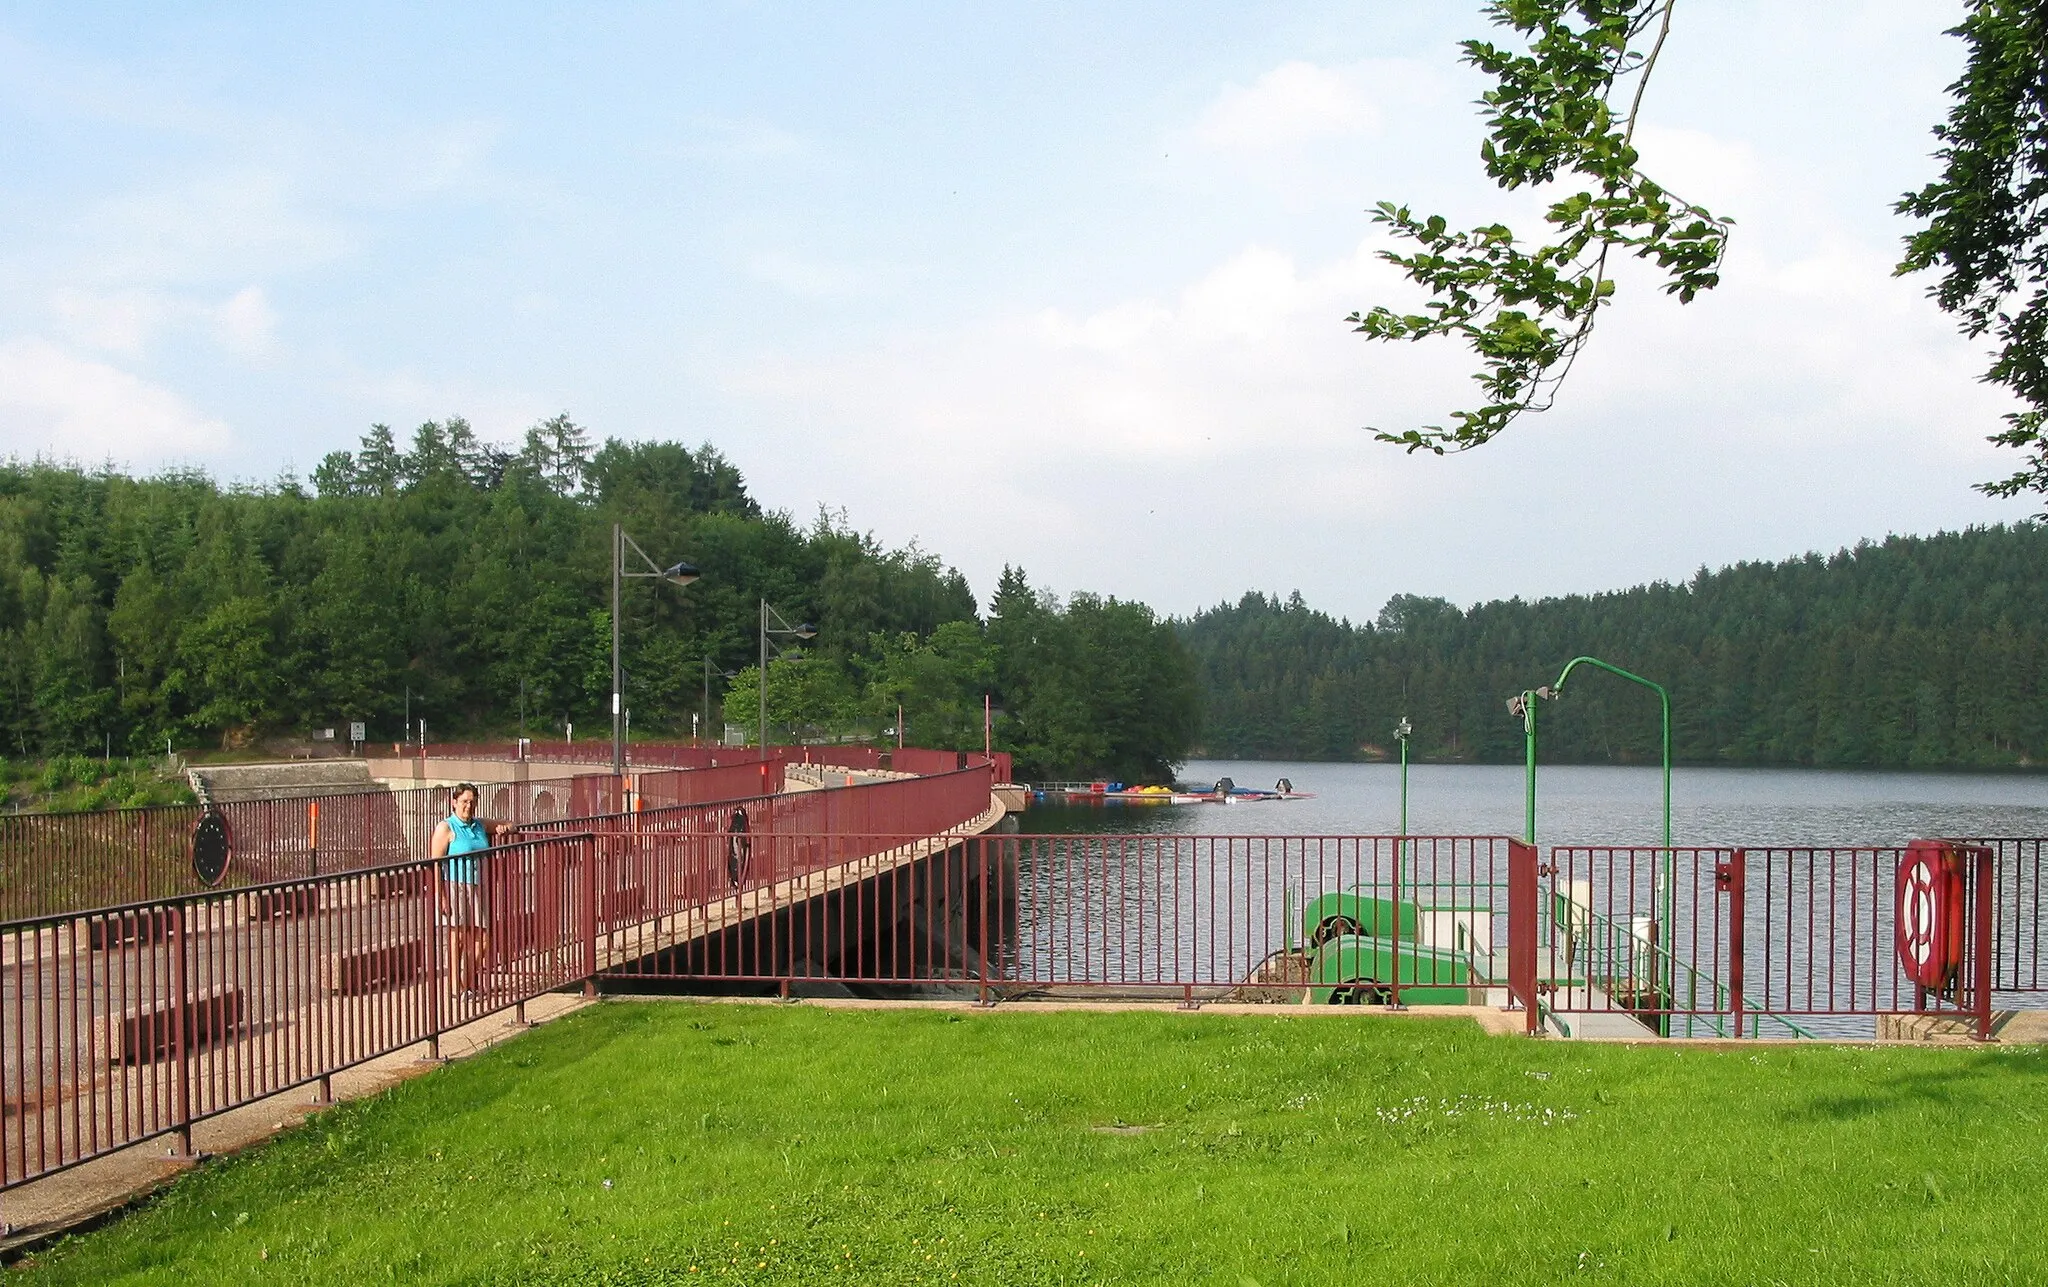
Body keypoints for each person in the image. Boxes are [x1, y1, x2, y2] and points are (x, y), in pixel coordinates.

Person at [430, 783, 513, 995]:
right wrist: (441, 896)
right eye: (465, 801)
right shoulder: (446, 828)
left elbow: (509, 824)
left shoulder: (478, 824)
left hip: (478, 885)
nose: (469, 806)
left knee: (482, 939)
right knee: (457, 937)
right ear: (454, 803)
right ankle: (456, 987)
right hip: (455, 885)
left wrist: (505, 828)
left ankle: (468, 982)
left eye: (472, 801)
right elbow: (435, 865)